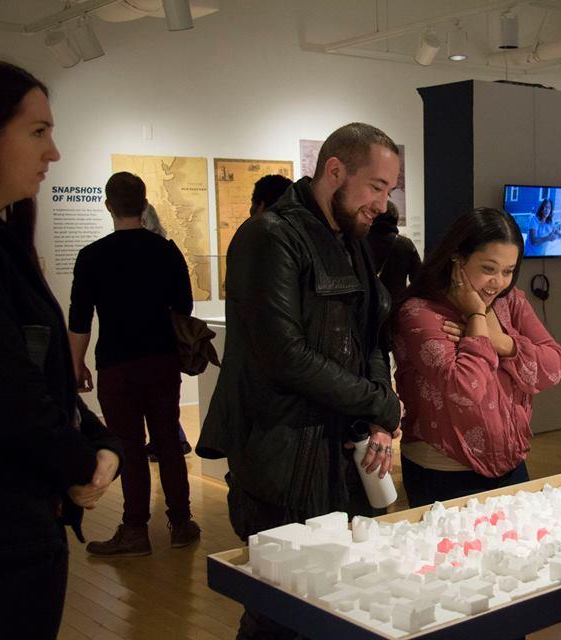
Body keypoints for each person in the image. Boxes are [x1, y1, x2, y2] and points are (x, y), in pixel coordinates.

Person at [196, 122, 402, 640]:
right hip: (284, 459)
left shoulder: (350, 238)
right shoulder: (271, 237)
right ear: (335, 171)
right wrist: (378, 401)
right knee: (281, 612)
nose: (382, 203)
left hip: (339, 453)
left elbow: (371, 332)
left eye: (388, 191)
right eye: (376, 186)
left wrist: (379, 409)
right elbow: (284, 355)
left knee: (337, 600)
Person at [0, 58, 122, 639]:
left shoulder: (6, 245)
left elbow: (40, 383)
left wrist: (100, 442)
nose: (54, 153)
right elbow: (9, 396)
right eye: (37, 132)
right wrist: (83, 460)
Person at [392, 207, 561, 506]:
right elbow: (465, 389)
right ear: (457, 260)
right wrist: (475, 316)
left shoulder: (510, 302)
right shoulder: (419, 312)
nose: (499, 282)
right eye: (489, 269)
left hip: (512, 462)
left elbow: (553, 367)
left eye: (508, 271)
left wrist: (500, 342)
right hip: (443, 469)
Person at [68, 171, 200, 556]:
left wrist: (76, 364)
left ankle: (135, 530)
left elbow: (80, 318)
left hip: (115, 364)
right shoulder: (166, 251)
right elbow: (185, 307)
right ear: (144, 205)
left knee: (127, 443)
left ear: (109, 206)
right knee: (167, 443)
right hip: (161, 360)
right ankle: (181, 523)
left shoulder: (91, 256)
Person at [138, 200, 193, 460]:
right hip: (164, 345)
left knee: (153, 403)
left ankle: (174, 440)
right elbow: (185, 303)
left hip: (142, 345)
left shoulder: (147, 253)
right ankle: (172, 440)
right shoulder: (168, 252)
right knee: (163, 403)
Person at [368, 199, 421, 304]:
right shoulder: (405, 244)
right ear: (395, 218)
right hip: (395, 305)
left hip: (367, 304)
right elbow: (418, 279)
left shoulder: (361, 241)